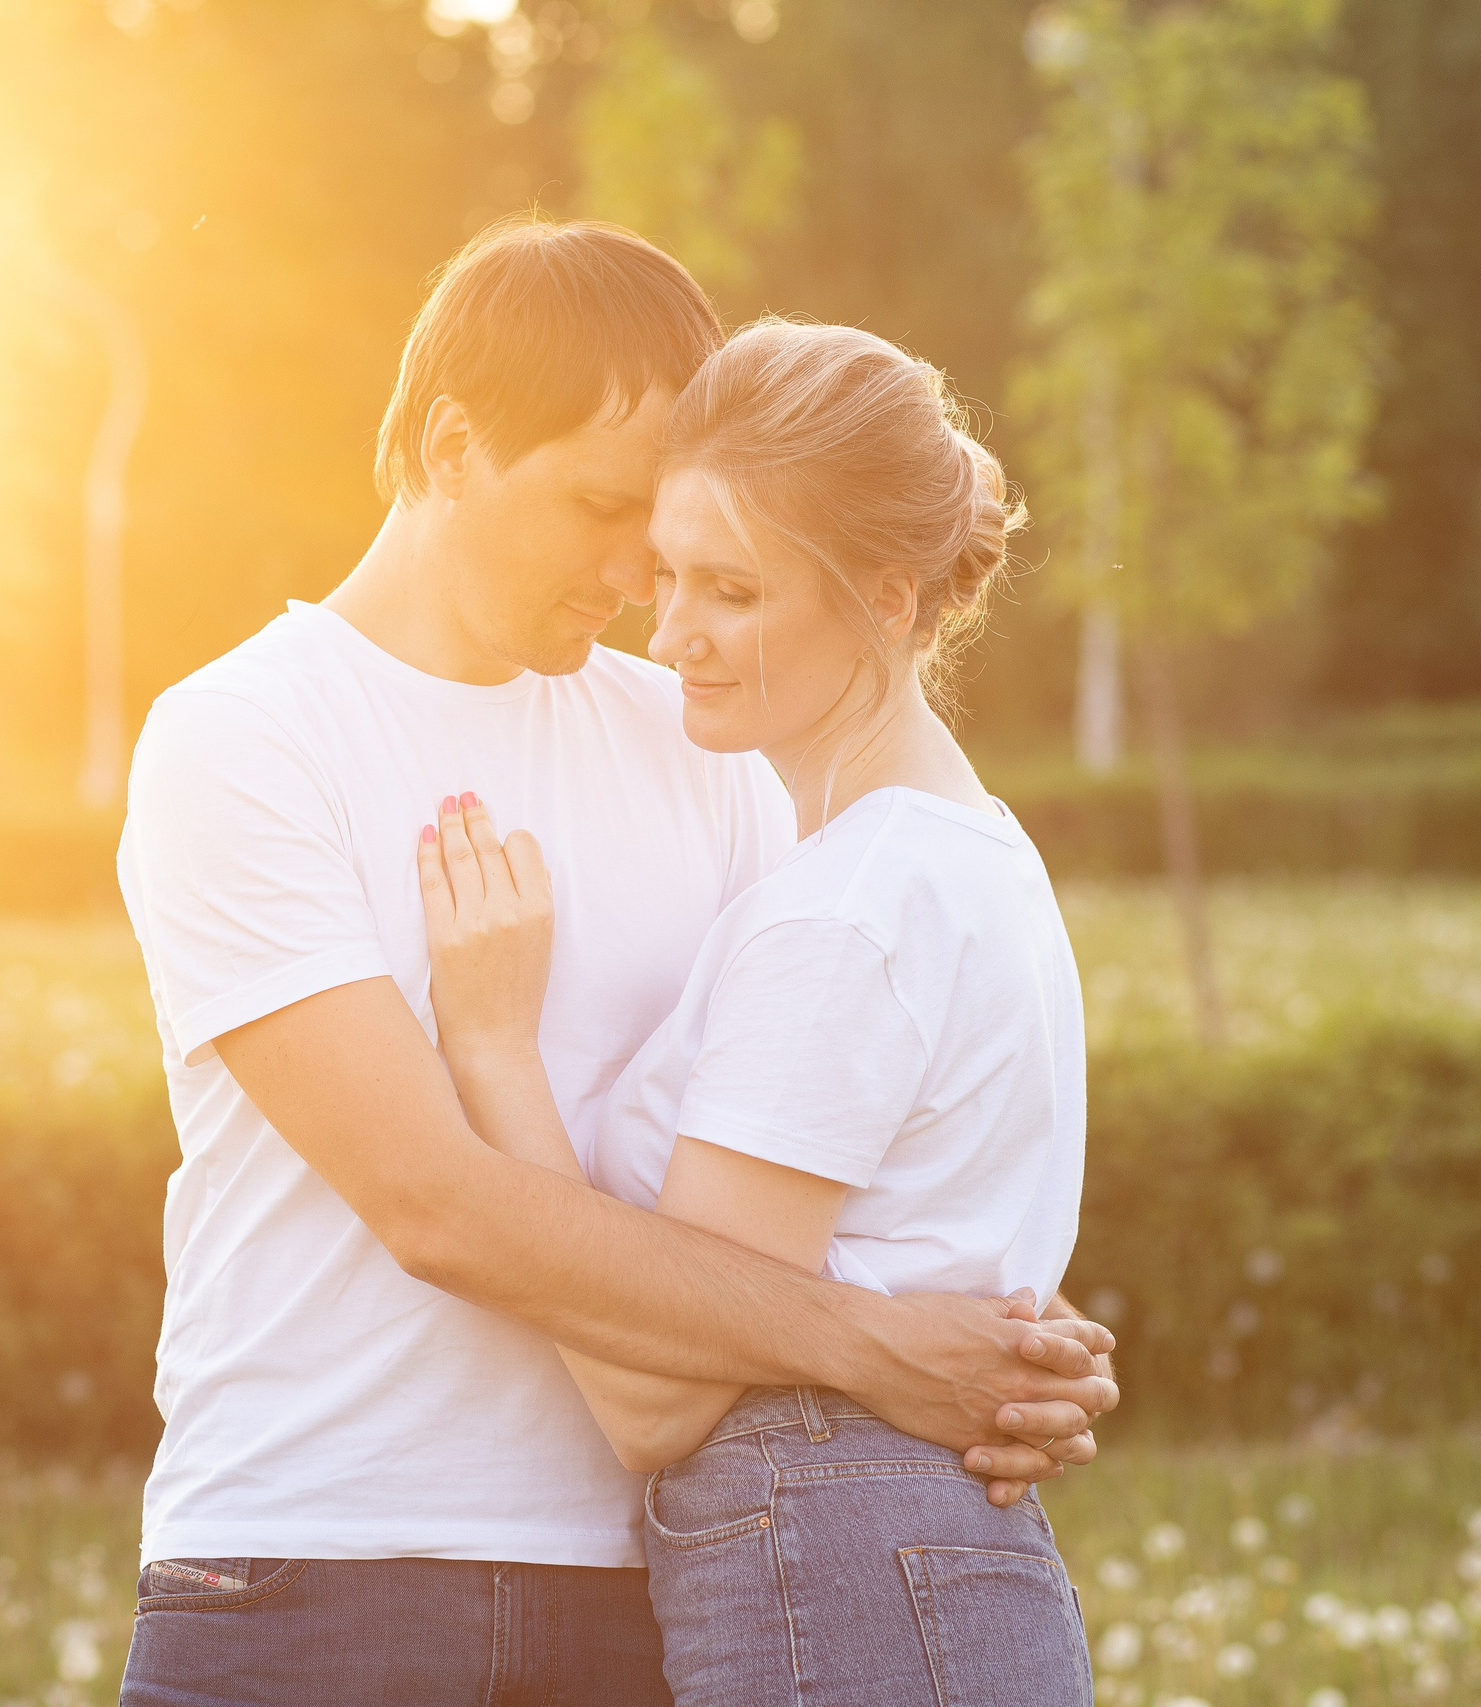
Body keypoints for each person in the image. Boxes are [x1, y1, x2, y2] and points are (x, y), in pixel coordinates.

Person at [114, 218, 1115, 1706]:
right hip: (315, 1565)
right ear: (453, 448)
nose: (640, 570)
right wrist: (890, 1346)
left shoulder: (705, 743)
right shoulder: (246, 739)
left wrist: (1001, 1325)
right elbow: (434, 1204)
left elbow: (815, 1120)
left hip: (645, 1581)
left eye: (662, 521)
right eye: (599, 505)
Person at [415, 316, 1096, 1705]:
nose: (673, 634)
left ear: (888, 599)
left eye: (731, 590)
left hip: (838, 1562)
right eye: (667, 576)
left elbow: (659, 1399)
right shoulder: (965, 856)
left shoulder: (848, 909)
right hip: (908, 1561)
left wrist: (492, 1048)